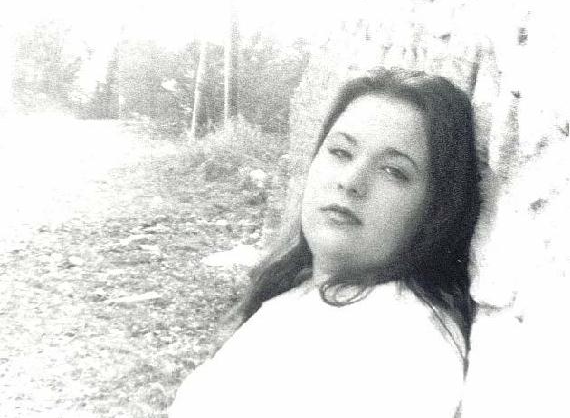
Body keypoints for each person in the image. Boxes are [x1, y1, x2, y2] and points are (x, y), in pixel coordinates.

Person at [169, 68, 480, 418]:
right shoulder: (307, 293)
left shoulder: (403, 344)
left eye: (393, 171)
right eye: (341, 152)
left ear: (437, 209)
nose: (351, 181)